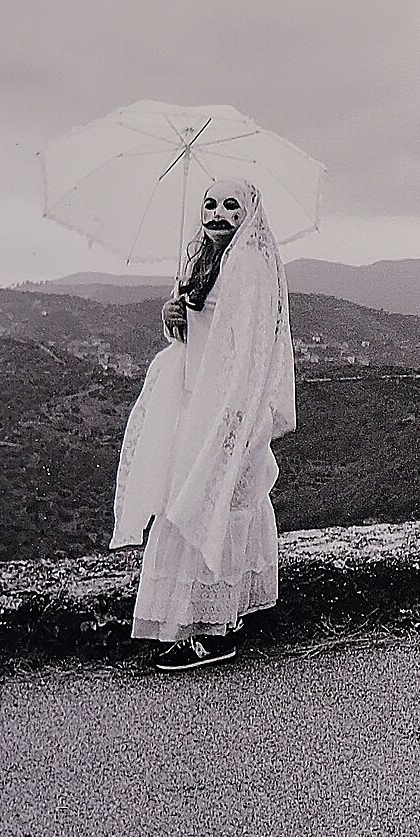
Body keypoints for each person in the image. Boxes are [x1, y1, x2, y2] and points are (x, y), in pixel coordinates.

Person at [111, 177, 295, 668]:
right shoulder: (211, 261)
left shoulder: (251, 266)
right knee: (198, 504)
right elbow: (199, 336)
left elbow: (249, 347)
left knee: (203, 506)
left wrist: (235, 418)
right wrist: (172, 312)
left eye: (230, 207)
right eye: (209, 205)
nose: (217, 214)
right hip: (196, 401)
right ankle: (213, 618)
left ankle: (210, 628)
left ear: (250, 214)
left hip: (224, 408)